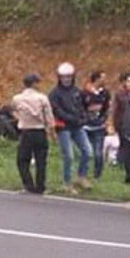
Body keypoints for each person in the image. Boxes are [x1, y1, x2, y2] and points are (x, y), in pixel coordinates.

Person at [49, 62, 92, 193]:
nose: (66, 79)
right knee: (69, 156)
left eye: (69, 76)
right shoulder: (54, 94)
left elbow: (82, 106)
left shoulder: (76, 91)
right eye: (63, 77)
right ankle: (67, 183)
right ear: (59, 77)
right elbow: (57, 111)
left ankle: (81, 176)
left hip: (78, 127)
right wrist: (71, 118)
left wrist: (84, 117)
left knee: (87, 152)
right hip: (64, 128)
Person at [12, 73, 55, 194]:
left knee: (22, 160)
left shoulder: (17, 98)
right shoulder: (42, 98)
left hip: (26, 131)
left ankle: (28, 185)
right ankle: (40, 186)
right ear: (35, 84)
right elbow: (49, 118)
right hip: (40, 131)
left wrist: (21, 118)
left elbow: (14, 111)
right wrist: (52, 132)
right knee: (41, 160)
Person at [82, 70, 111, 179]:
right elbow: (80, 107)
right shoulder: (85, 93)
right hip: (85, 127)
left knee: (98, 153)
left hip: (99, 127)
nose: (105, 80)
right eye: (103, 78)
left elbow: (106, 108)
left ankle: (97, 176)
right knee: (85, 152)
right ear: (97, 79)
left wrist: (104, 120)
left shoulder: (105, 93)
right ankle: (82, 174)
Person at [109, 72, 130, 167]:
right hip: (121, 122)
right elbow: (115, 109)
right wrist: (112, 123)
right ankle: (122, 161)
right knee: (124, 142)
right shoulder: (120, 94)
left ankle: (124, 160)